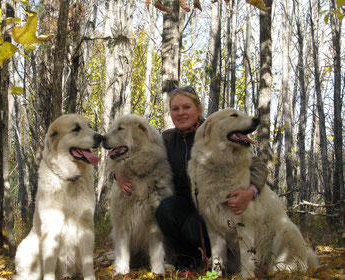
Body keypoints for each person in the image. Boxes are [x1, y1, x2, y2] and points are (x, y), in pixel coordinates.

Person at [115, 86, 268, 269]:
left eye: (186, 107)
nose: (180, 113)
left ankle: (224, 257)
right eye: (175, 109)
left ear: (199, 109)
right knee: (165, 209)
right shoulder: (167, 139)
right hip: (182, 206)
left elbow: (258, 166)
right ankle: (187, 258)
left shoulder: (212, 133)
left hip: (213, 208)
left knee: (194, 226)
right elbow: (138, 156)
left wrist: (251, 192)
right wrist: (118, 174)